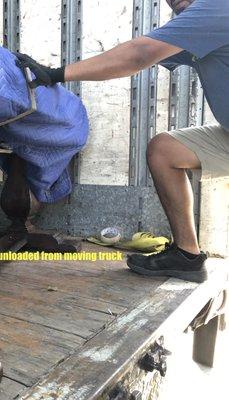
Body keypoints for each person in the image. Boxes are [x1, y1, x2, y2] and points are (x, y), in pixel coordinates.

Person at [16, 0, 228, 283]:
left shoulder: (218, 6)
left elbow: (139, 54)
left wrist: (56, 74)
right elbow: (136, 54)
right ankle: (187, 257)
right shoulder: (196, 24)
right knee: (164, 151)